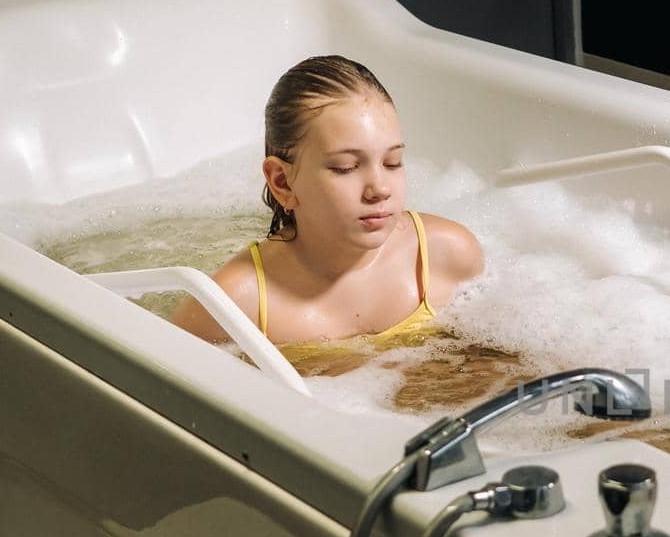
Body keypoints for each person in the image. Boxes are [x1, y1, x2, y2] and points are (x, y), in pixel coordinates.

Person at [174, 55, 483, 352]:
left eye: (392, 162)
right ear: (282, 182)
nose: (379, 189)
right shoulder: (235, 303)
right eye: (345, 168)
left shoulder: (448, 255)